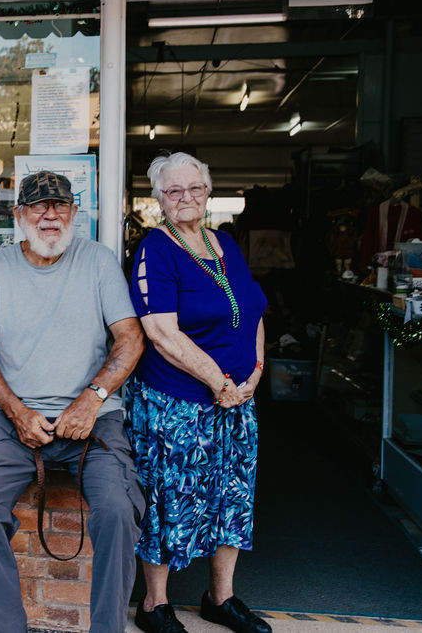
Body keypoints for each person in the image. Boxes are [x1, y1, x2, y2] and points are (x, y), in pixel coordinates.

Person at [0, 171, 146, 633]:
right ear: (18, 215)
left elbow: (130, 338)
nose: (50, 216)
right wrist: (16, 411)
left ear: (74, 214)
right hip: (16, 420)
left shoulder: (98, 261)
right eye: (38, 207)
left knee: (119, 510)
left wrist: (91, 399)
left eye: (59, 206)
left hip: (94, 420)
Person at [127, 152, 269, 633]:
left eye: (195, 189)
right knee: (170, 499)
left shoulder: (225, 241)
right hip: (178, 402)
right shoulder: (156, 250)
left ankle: (220, 598)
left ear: (208, 192)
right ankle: (155, 605)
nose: (186, 198)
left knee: (233, 496)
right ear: (159, 199)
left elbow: (253, 310)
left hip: (236, 402)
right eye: (174, 191)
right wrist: (219, 382)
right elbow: (162, 333)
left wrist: (255, 370)